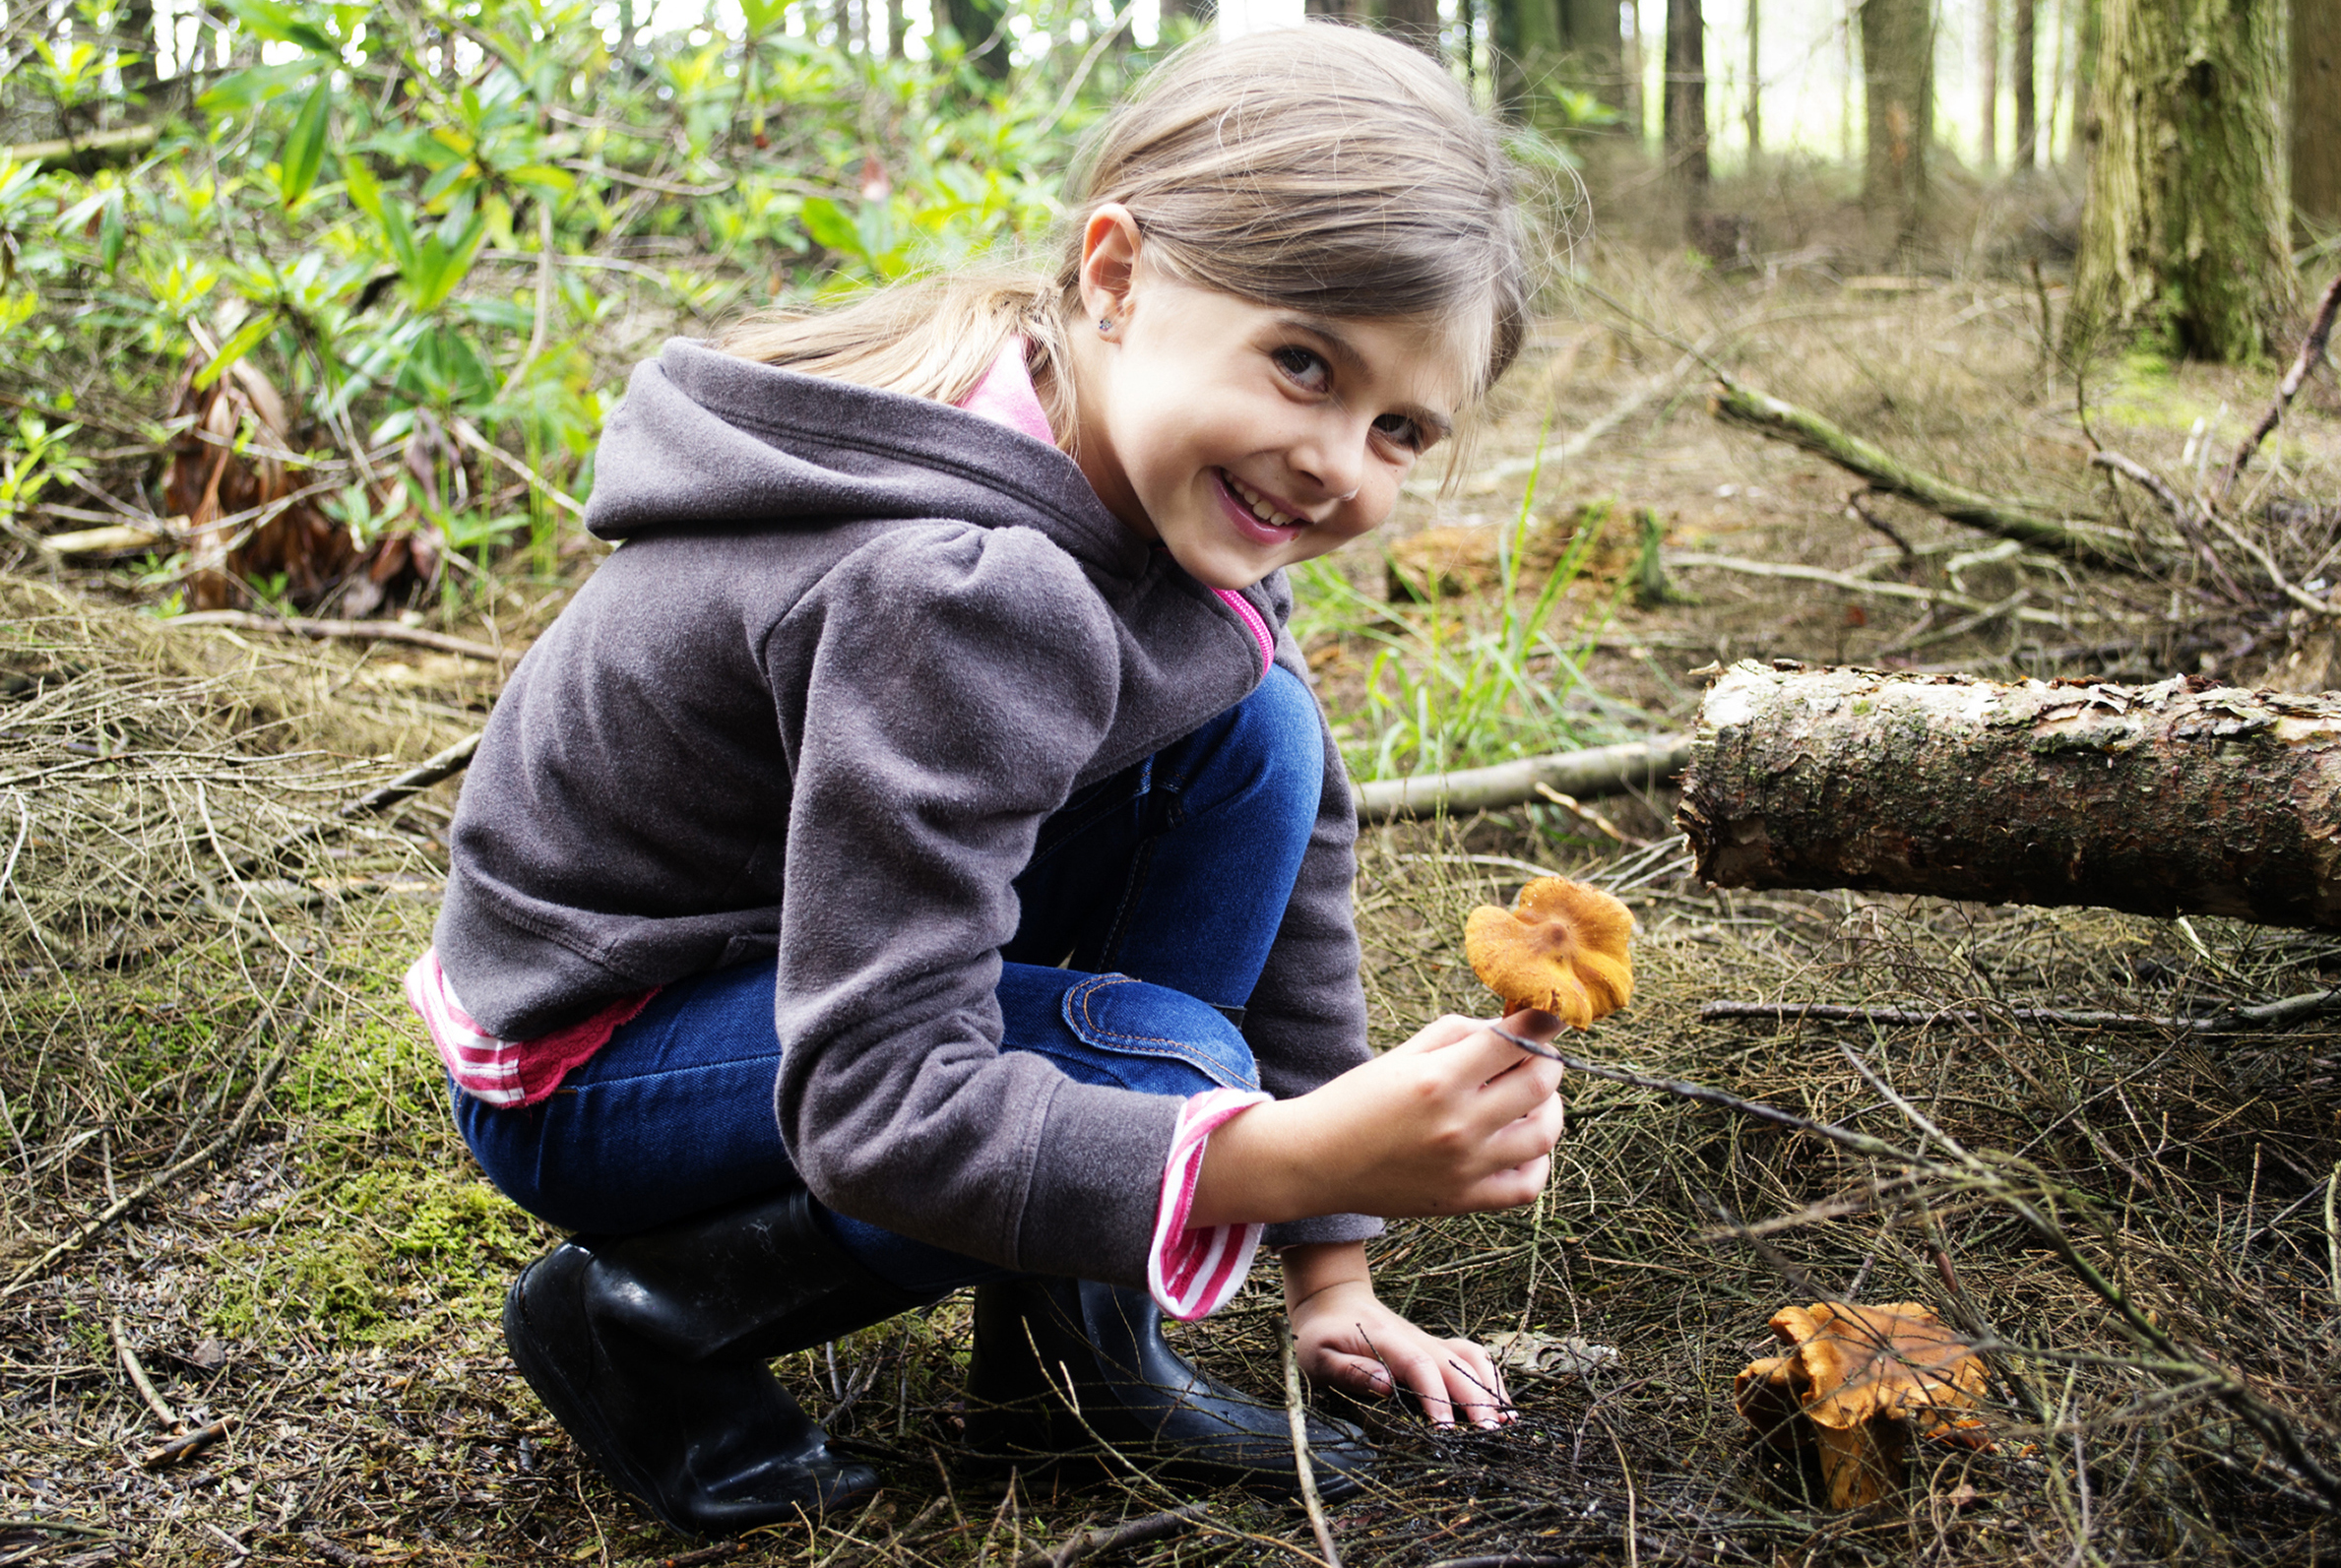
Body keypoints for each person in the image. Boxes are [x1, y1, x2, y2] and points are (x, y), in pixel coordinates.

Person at [405, 21, 1569, 1538]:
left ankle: (1077, 1354)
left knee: (1257, 735)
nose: (1336, 463)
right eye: (1302, 361)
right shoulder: (959, 584)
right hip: (602, 1046)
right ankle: (647, 1317)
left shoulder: (1148, 477)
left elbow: (1298, 864)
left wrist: (1325, 1262)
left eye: (1400, 427)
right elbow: (881, 1091)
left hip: (794, 952)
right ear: (1117, 275)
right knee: (1161, 1068)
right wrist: (1264, 1151)